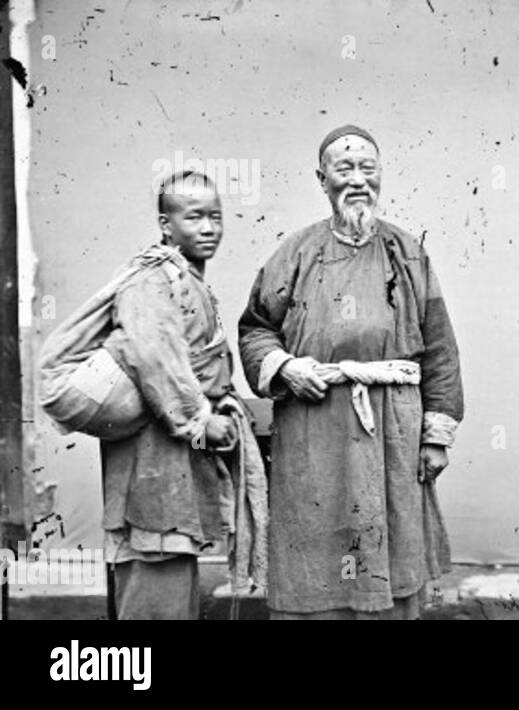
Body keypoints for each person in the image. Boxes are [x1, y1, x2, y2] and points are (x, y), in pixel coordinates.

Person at [239, 125, 464, 619]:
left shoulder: (408, 253)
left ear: (381, 176)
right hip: (313, 429)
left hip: (392, 431)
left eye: (368, 167)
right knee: (314, 547)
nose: (358, 179)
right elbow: (256, 330)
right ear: (322, 180)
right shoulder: (294, 253)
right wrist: (288, 367)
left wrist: (436, 435)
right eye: (345, 169)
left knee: (390, 548)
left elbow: (441, 350)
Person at [100, 170, 238, 619]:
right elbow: (156, 363)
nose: (209, 228)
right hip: (149, 471)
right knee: (153, 591)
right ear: (165, 224)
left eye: (215, 217)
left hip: (174, 469)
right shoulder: (152, 281)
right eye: (195, 217)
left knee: (174, 586)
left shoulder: (188, 280)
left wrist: (225, 403)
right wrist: (204, 422)